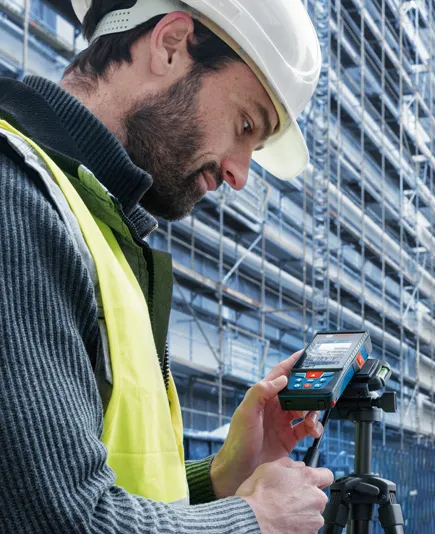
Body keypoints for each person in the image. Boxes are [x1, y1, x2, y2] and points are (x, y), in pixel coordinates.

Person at [0, 0, 334, 532]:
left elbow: (112, 489)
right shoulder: (15, 195)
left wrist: (222, 477)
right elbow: (61, 519)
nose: (240, 174)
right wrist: (254, 519)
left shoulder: (94, 224)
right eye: (245, 123)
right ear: (171, 45)